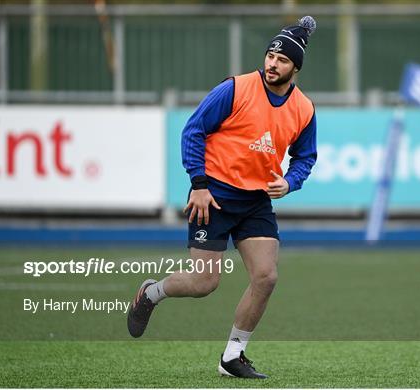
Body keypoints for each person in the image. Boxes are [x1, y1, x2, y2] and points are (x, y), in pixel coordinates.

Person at [127, 16, 318, 379]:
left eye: (281, 60)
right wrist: (198, 185)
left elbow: (305, 157)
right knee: (204, 284)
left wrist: (291, 182)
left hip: (256, 199)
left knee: (266, 277)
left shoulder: (304, 109)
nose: (271, 64)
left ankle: (233, 356)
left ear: (295, 67)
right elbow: (193, 131)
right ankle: (150, 293)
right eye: (269, 56)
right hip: (212, 194)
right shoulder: (235, 89)